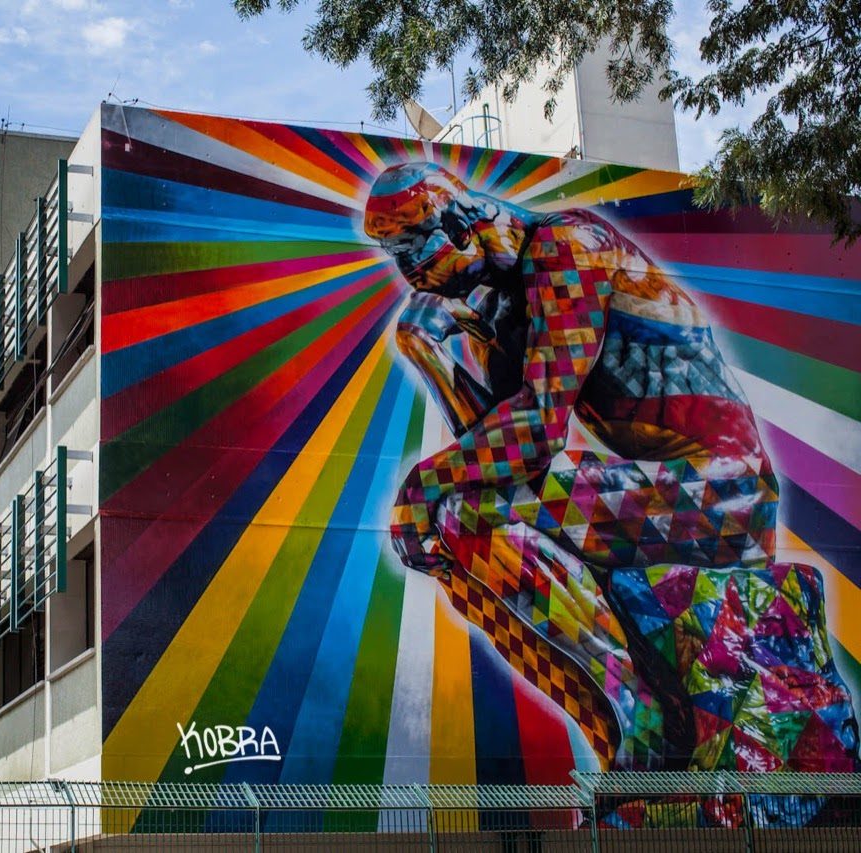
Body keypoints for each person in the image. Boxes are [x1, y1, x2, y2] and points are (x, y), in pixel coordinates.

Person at [365, 162, 857, 775]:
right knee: (453, 533)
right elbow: (497, 456)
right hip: (668, 494)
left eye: (411, 254)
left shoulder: (567, 247)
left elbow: (536, 431)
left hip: (728, 494)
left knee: (462, 511)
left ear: (460, 228)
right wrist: (429, 356)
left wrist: (421, 485)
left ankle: (640, 714)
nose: (411, 277)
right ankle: (614, 717)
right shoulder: (505, 301)